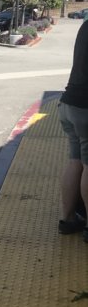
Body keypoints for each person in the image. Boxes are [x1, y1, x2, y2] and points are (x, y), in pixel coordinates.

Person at [58, 17, 88, 242]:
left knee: (75, 161)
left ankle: (68, 219)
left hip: (68, 103)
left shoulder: (85, 25)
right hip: (86, 108)